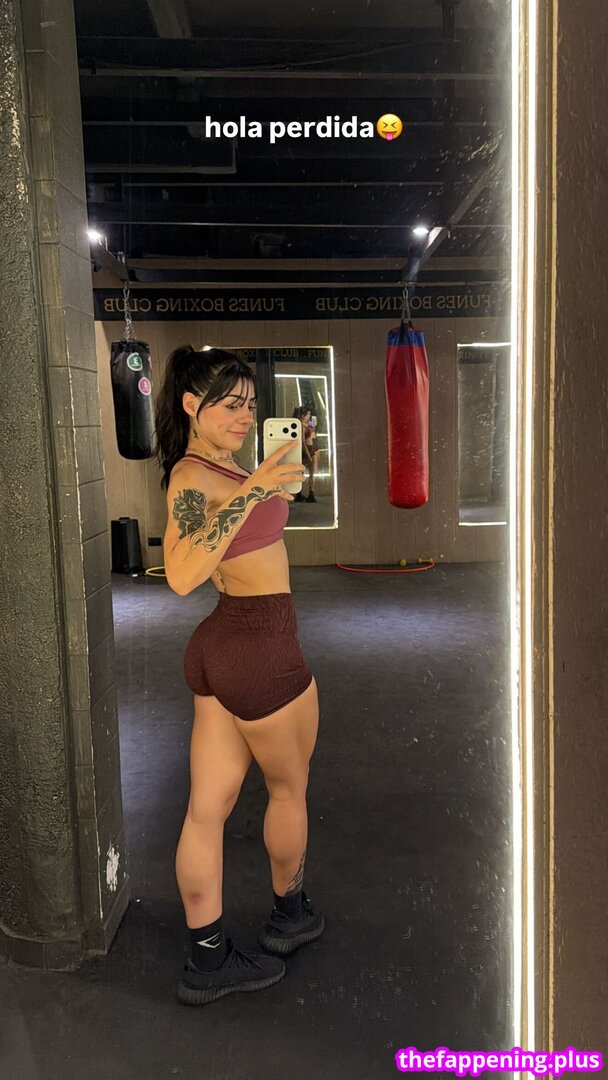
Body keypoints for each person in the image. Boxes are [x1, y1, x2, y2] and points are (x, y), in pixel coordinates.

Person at [154, 346, 325, 1006]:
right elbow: (180, 574)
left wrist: (274, 478)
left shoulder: (224, 465)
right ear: (191, 405)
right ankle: (290, 918)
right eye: (230, 404)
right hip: (260, 649)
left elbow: (254, 526)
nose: (245, 416)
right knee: (288, 790)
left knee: (207, 810)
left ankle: (207, 961)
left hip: (223, 647)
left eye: (250, 404)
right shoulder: (191, 477)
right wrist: (254, 489)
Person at [291, 405, 320, 503]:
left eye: (309, 414)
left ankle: (310, 493)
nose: (308, 416)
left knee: (312, 472)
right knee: (303, 472)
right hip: (305, 450)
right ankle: (301, 493)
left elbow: (313, 432)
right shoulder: (300, 426)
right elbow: (303, 442)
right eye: (307, 414)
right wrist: (308, 455)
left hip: (310, 448)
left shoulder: (309, 423)